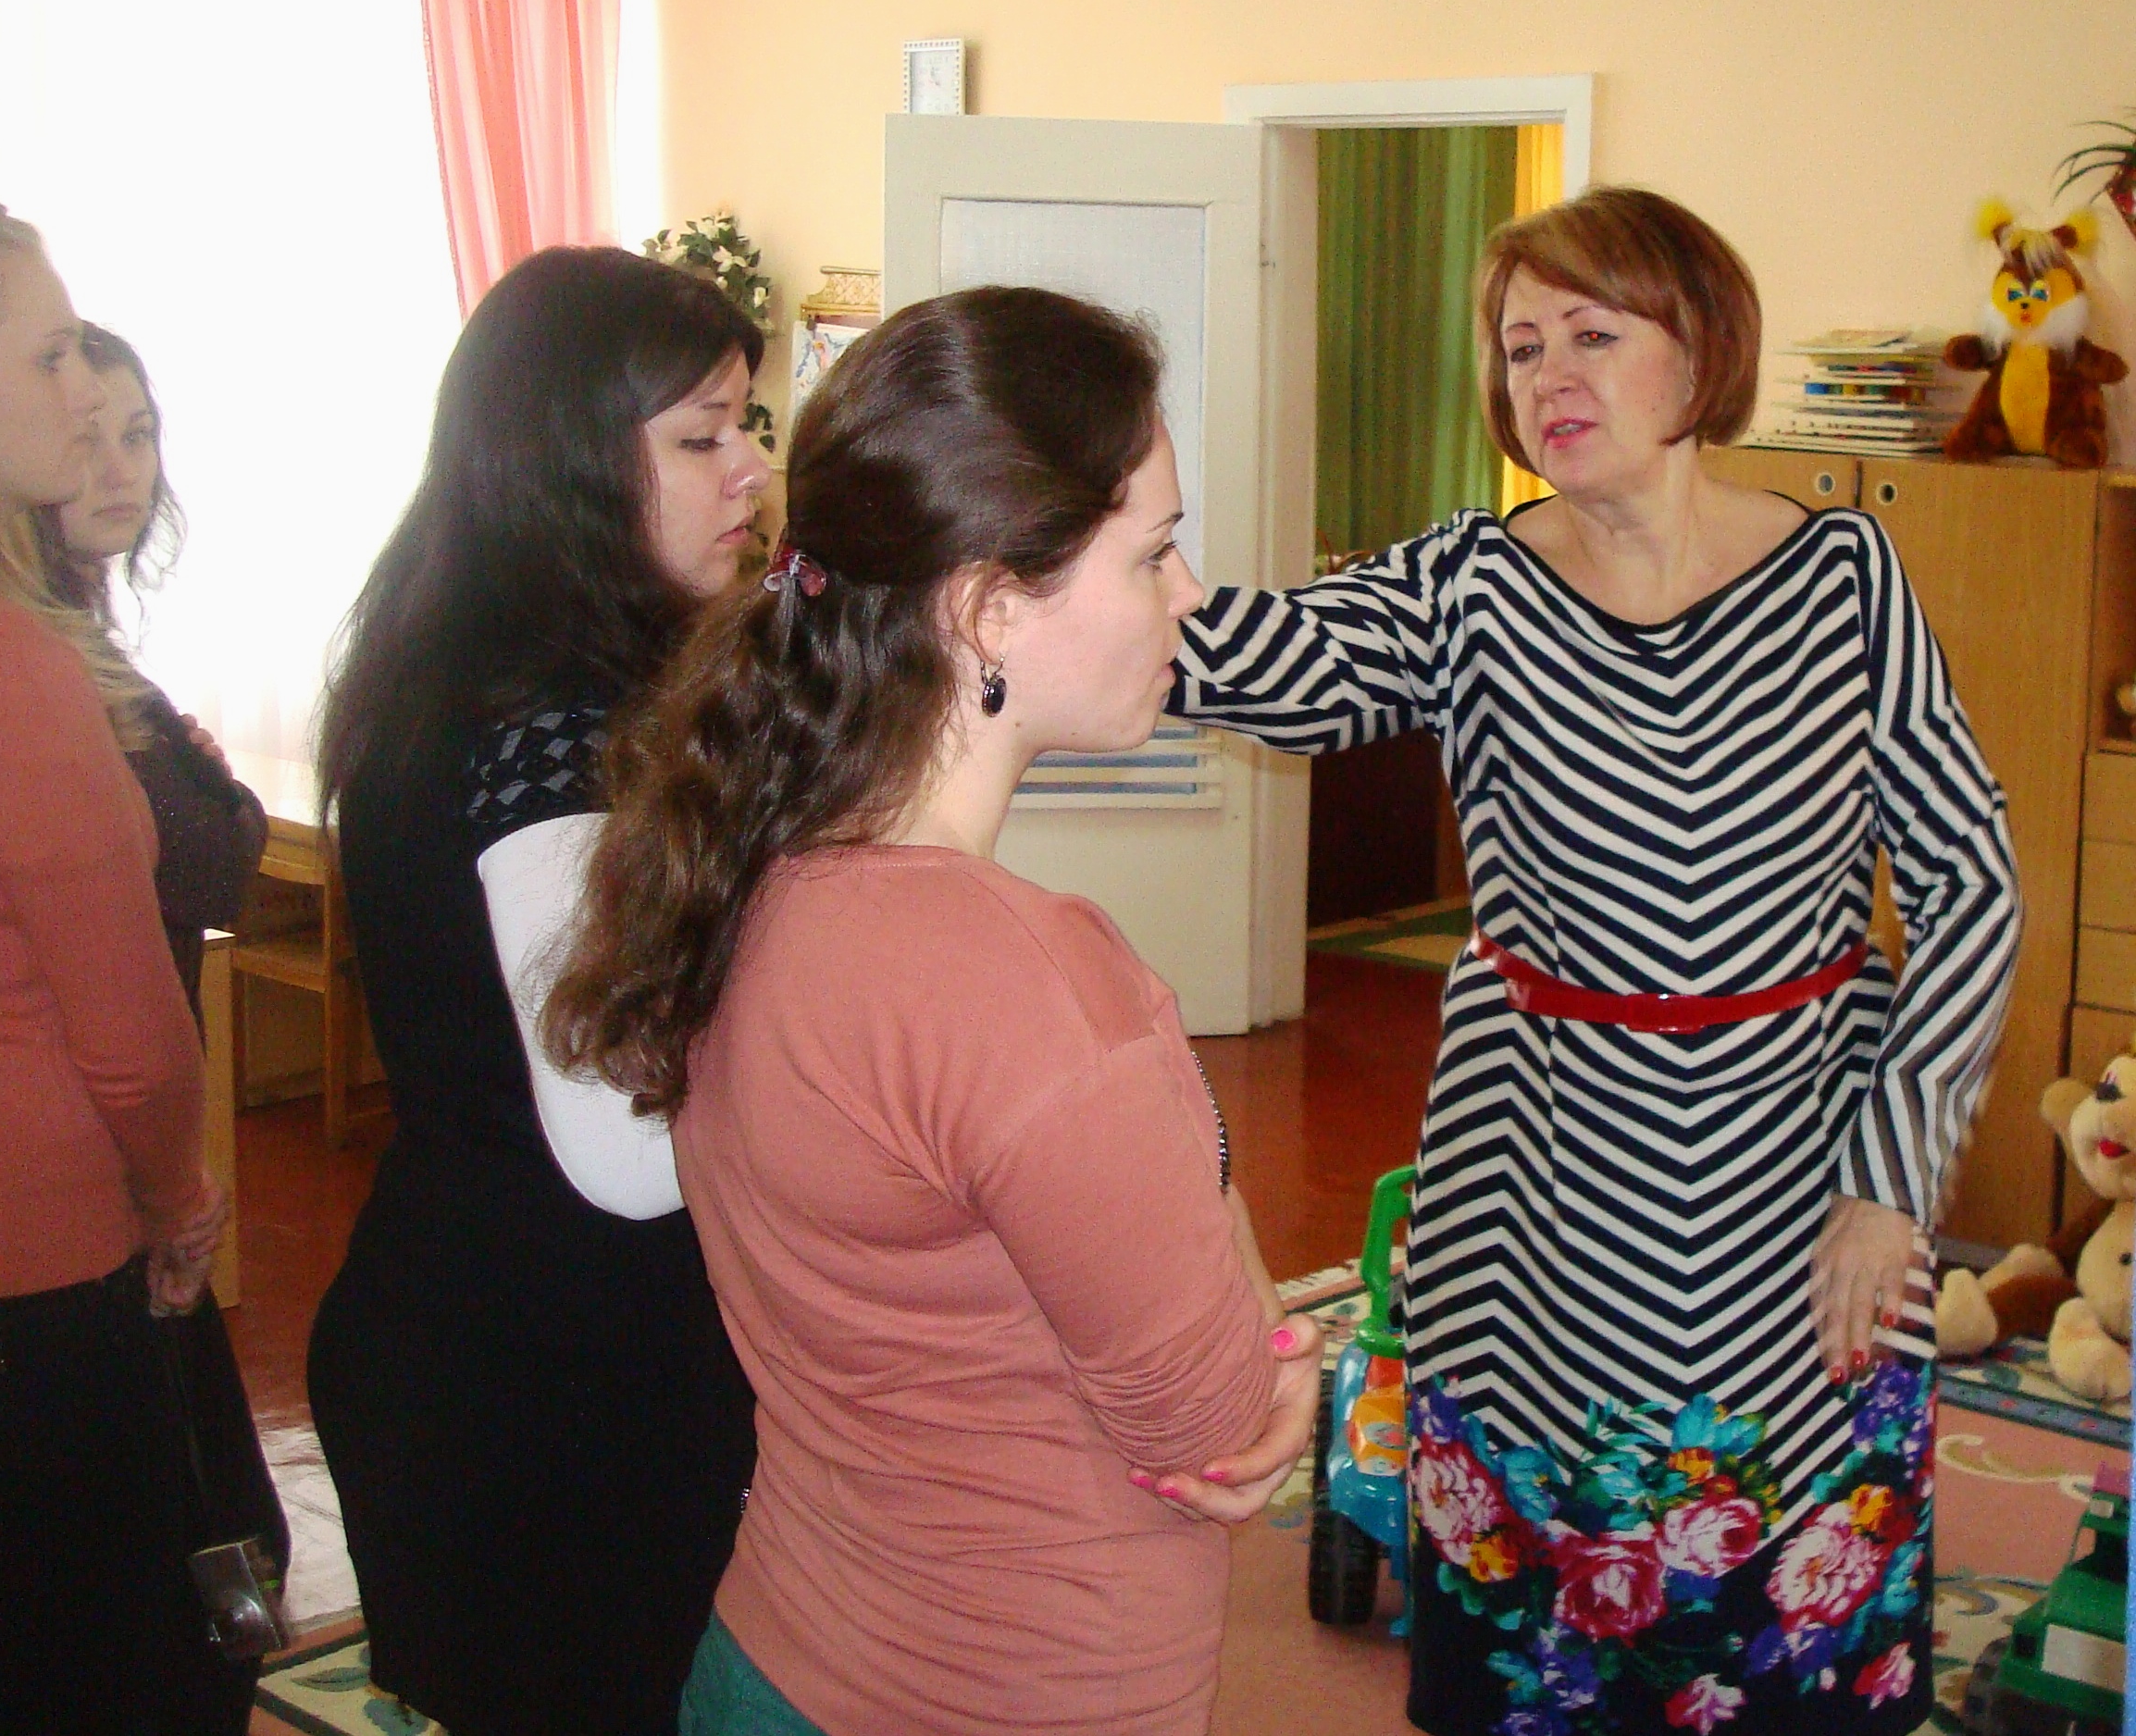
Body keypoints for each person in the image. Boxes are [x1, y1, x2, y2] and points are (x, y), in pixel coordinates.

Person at [1169, 186, 2022, 1736]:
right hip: (1536, 1171)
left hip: (1803, 1162)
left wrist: (1891, 1179)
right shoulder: (1471, 585)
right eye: (1520, 348)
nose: (1547, 375)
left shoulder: (1846, 579)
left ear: (1697, 350)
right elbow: (1261, 660)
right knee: (1539, 1625)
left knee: (1790, 1622)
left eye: (1591, 334)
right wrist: (1097, 555)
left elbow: (1969, 875)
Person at [547, 286, 1327, 1736]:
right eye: (1153, 552)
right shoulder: (1024, 979)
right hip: (996, 1696)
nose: (1190, 596)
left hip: (779, 1657)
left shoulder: (747, 865)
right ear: (985, 606)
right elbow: (1220, 1422)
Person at [307, 246, 769, 1734]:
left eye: (748, 425)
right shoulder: (549, 732)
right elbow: (625, 1150)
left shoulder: (504, 675)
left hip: (519, 1336)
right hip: (538, 1385)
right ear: (568, 463)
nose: (751, 470)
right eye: (700, 437)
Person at [0, 189, 230, 1730]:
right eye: (47, 355)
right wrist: (180, 1199)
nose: (81, 389)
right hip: (20, 1265)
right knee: (114, 1675)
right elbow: (129, 1032)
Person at [42, 324, 268, 1018]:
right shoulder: (38, 653)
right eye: (88, 443)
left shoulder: (84, 639)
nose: (121, 472)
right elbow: (209, 864)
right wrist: (221, 796)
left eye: (136, 437)